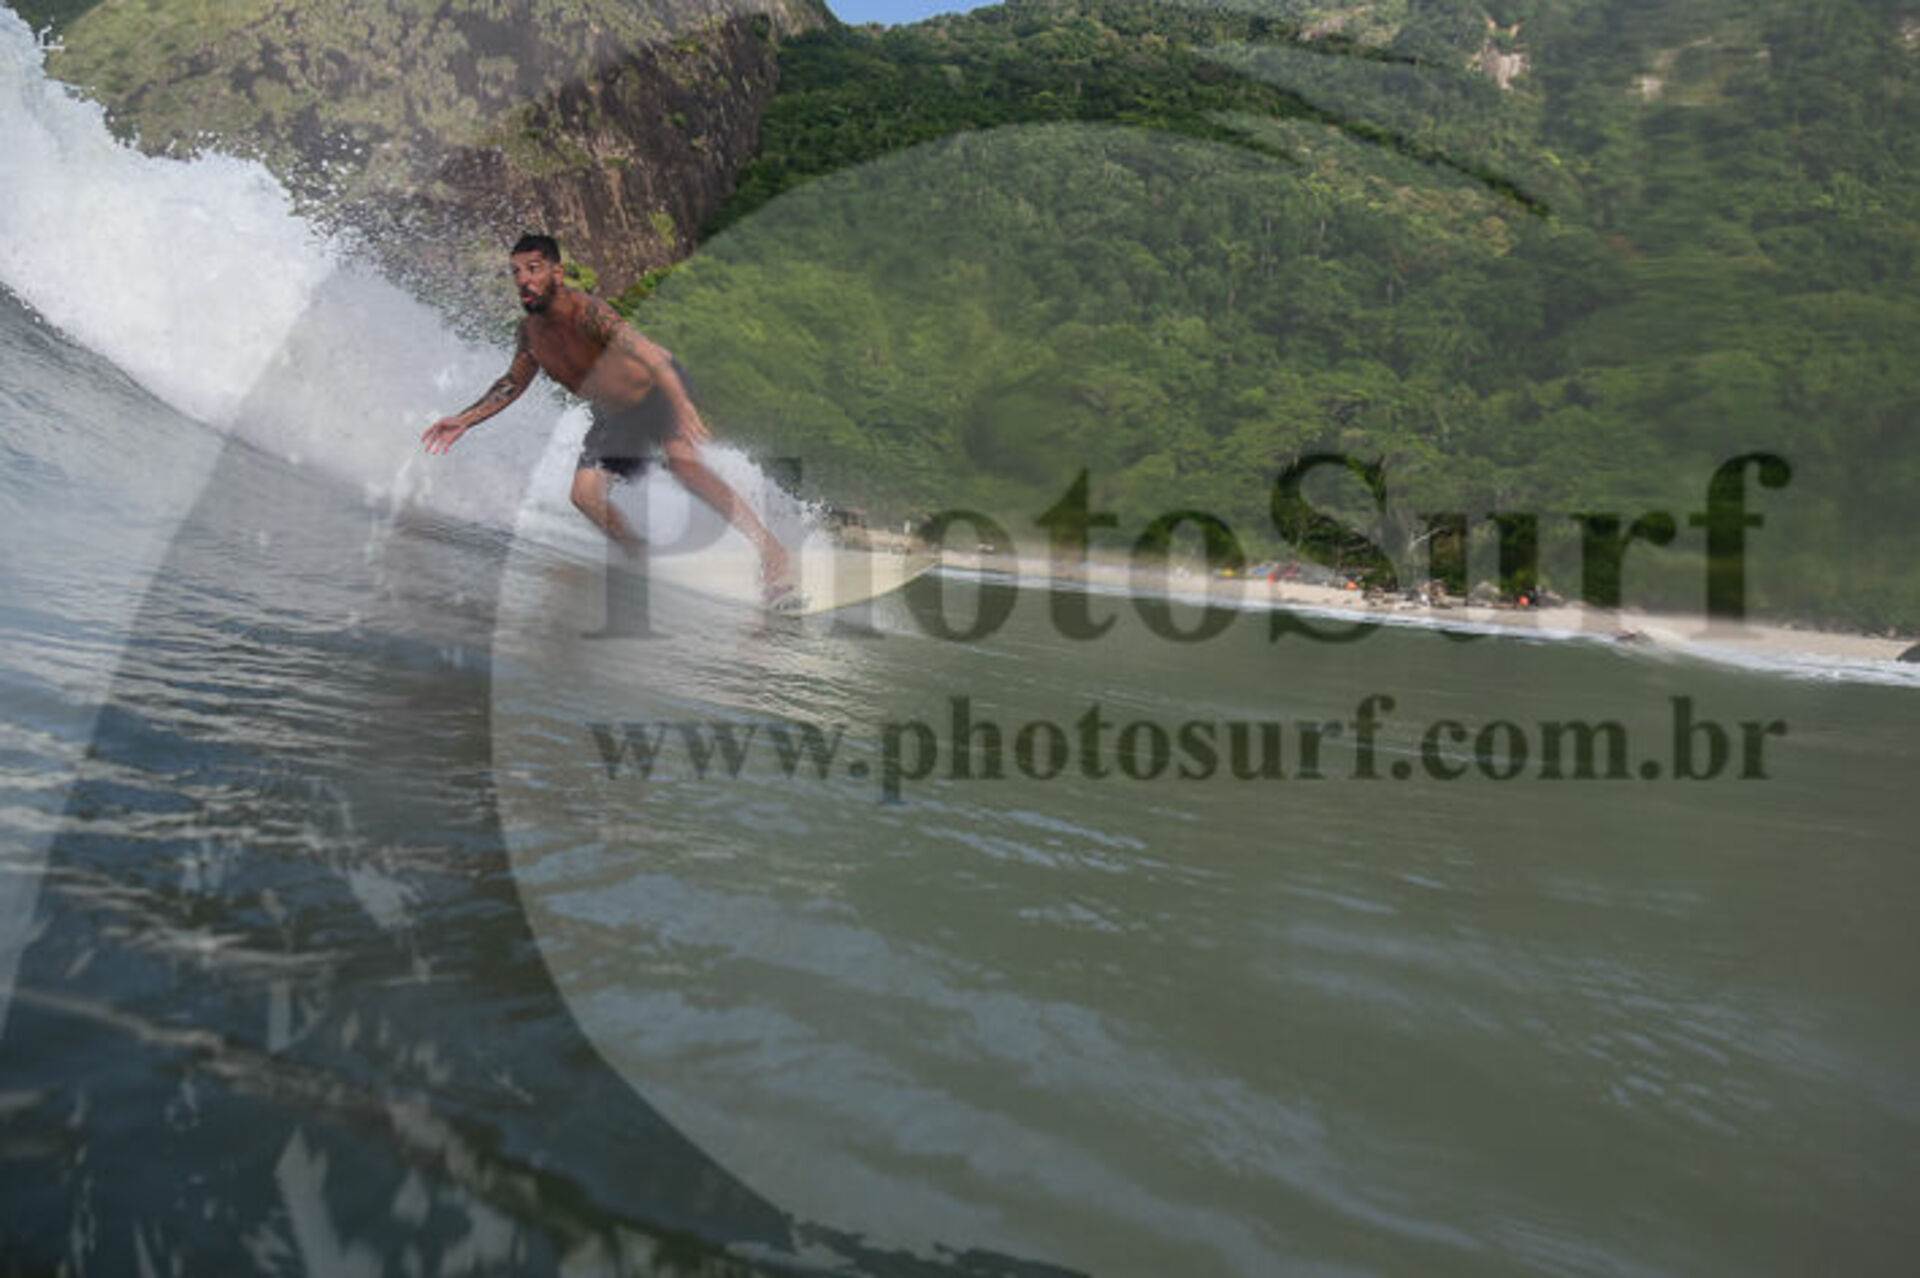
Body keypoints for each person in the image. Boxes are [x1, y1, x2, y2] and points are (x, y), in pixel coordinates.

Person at [422, 233, 794, 604]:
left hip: (658, 391)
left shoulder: (589, 313)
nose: (523, 280)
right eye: (516, 272)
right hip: (616, 414)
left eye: (533, 269)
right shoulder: (530, 335)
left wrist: (682, 404)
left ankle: (774, 555)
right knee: (585, 495)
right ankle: (643, 561)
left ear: (557, 273)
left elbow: (650, 354)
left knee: (685, 466)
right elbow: (511, 383)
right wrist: (465, 419)